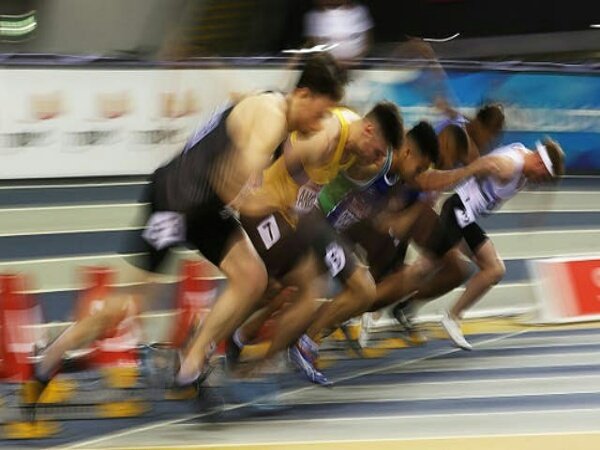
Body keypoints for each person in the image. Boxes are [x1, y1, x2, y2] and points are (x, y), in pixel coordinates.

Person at [24, 53, 347, 409]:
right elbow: (234, 183)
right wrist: (266, 204)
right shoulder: (270, 117)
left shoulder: (273, 107)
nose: (319, 124)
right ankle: (48, 360)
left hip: (203, 207)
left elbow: (236, 150)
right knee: (131, 304)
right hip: (174, 201)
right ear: (302, 94)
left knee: (252, 276)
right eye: (319, 113)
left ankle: (190, 369)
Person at [235, 101, 402, 384]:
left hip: (305, 220)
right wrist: (248, 175)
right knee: (307, 289)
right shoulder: (335, 135)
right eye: (376, 152)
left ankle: (241, 344)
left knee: (281, 288)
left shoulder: (358, 146)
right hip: (287, 214)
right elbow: (290, 136)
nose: (376, 160)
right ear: (370, 131)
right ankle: (272, 354)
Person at [440, 138, 565, 350]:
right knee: (489, 269)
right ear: (540, 164)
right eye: (543, 177)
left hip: (464, 215)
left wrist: (536, 214)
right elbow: (486, 164)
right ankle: (447, 316)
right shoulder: (511, 165)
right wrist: (452, 177)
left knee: (486, 269)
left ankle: (440, 314)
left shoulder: (525, 162)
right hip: (458, 211)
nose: (540, 182)